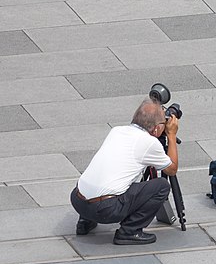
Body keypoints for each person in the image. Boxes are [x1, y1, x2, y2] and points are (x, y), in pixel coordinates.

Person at [72, 96, 179, 245]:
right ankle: (129, 231)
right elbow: (172, 169)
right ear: (155, 129)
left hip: (78, 201)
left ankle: (85, 221)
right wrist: (172, 135)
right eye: (163, 123)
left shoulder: (116, 131)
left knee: (107, 177)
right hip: (105, 210)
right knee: (161, 186)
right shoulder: (149, 142)